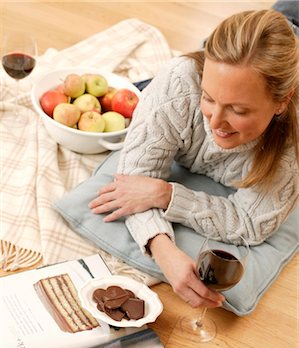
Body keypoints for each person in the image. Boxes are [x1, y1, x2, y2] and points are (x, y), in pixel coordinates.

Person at [88, 9, 299, 310]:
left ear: (281, 102)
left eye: (238, 110)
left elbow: (252, 223)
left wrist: (166, 194)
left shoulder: (292, 140)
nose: (216, 122)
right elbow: (132, 183)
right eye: (209, 98)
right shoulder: (181, 81)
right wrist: (162, 249)